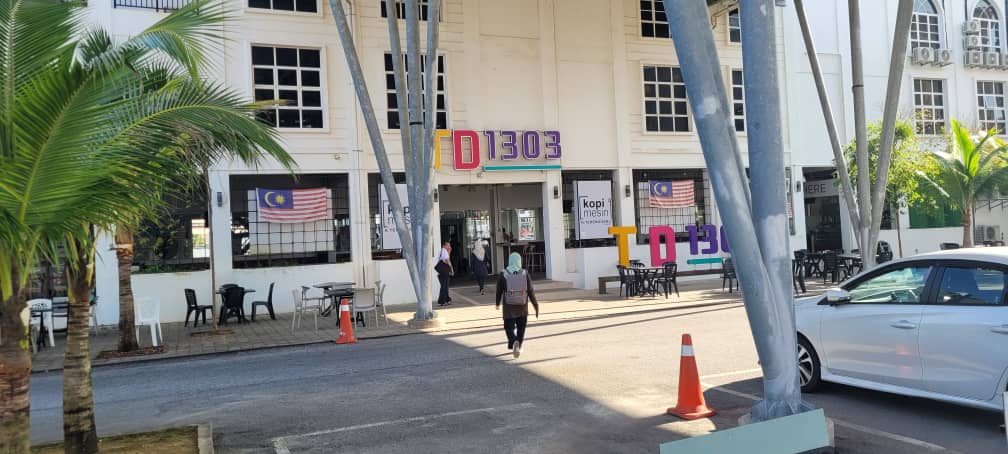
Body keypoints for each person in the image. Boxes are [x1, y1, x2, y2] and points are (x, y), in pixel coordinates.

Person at [495, 252, 539, 359]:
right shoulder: (524, 273)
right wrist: (536, 305)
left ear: (510, 261)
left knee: (508, 327)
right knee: (521, 327)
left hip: (508, 307)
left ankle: (513, 341)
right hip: (522, 306)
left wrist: (497, 303)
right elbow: (530, 291)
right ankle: (519, 344)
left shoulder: (503, 273)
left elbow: (499, 290)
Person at [436, 241, 453, 306]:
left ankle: (447, 300)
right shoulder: (444, 251)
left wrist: (449, 252)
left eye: (449, 245)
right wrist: (451, 269)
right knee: (444, 286)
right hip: (444, 271)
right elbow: (446, 260)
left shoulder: (443, 251)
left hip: (442, 271)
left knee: (445, 286)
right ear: (444, 246)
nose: (449, 247)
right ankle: (442, 301)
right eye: (447, 245)